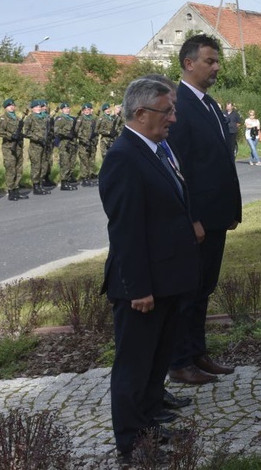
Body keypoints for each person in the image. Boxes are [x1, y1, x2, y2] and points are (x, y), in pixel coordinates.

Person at [99, 77, 201, 463]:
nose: (174, 118)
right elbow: (125, 231)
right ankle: (130, 443)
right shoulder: (123, 157)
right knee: (134, 366)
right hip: (141, 287)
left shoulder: (156, 148)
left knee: (156, 362)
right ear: (140, 114)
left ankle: (149, 424)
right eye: (167, 111)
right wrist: (139, 287)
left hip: (167, 280)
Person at [167, 34, 241, 385]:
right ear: (188, 63)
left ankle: (197, 353)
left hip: (216, 215)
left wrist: (231, 208)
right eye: (210, 61)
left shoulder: (209, 104)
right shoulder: (177, 105)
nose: (216, 67)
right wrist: (191, 217)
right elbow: (179, 170)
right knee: (188, 291)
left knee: (205, 288)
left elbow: (220, 160)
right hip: (196, 220)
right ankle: (179, 361)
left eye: (216, 61)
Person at [0, 99, 27, 201]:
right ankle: (11, 191)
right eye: (9, 106)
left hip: (18, 146)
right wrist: (10, 136)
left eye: (13, 105)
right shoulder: (3, 118)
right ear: (5, 107)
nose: (12, 107)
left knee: (19, 169)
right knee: (10, 169)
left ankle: (16, 189)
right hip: (9, 147)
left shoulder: (17, 119)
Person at [23, 100, 50, 196]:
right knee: (36, 166)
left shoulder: (44, 118)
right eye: (36, 107)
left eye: (39, 107)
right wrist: (37, 138)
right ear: (32, 108)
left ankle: (41, 183)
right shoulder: (30, 118)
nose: (38, 108)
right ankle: (36, 186)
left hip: (44, 145)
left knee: (43, 165)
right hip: (35, 146)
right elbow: (25, 132)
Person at [55, 103, 78, 191]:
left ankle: (68, 180)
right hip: (64, 143)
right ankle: (64, 183)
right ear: (62, 110)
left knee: (71, 162)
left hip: (72, 143)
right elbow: (56, 130)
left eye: (68, 108)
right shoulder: (61, 119)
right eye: (65, 108)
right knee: (65, 163)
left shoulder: (71, 119)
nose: (67, 110)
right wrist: (66, 134)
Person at [76, 103, 98, 187]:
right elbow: (77, 132)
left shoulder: (92, 119)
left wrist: (94, 140)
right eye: (85, 110)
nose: (87, 111)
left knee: (91, 160)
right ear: (82, 111)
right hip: (84, 143)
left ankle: (90, 176)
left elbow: (95, 131)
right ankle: (84, 178)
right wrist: (84, 140)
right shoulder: (80, 119)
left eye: (88, 110)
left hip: (92, 143)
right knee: (84, 160)